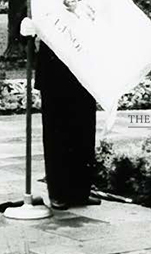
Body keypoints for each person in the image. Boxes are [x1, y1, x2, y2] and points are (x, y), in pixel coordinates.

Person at [19, 16, 100, 210]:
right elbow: (29, 10)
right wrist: (26, 29)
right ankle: (59, 191)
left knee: (84, 129)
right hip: (55, 67)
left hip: (84, 62)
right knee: (57, 131)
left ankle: (80, 191)